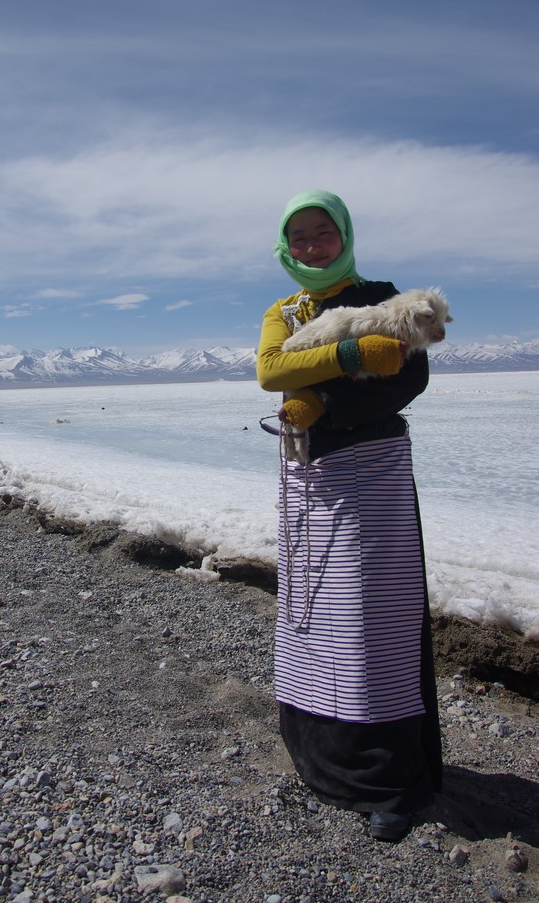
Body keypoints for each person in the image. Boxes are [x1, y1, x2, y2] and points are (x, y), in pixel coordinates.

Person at [256, 189, 442, 842]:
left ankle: (387, 778)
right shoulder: (285, 310)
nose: (311, 246)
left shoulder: (384, 296)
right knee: (312, 608)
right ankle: (318, 753)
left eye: (322, 233)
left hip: (371, 469)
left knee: (372, 616)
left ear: (344, 235)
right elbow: (272, 371)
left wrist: (325, 402)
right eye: (298, 237)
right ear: (286, 248)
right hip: (308, 471)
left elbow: (407, 379)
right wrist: (352, 358)